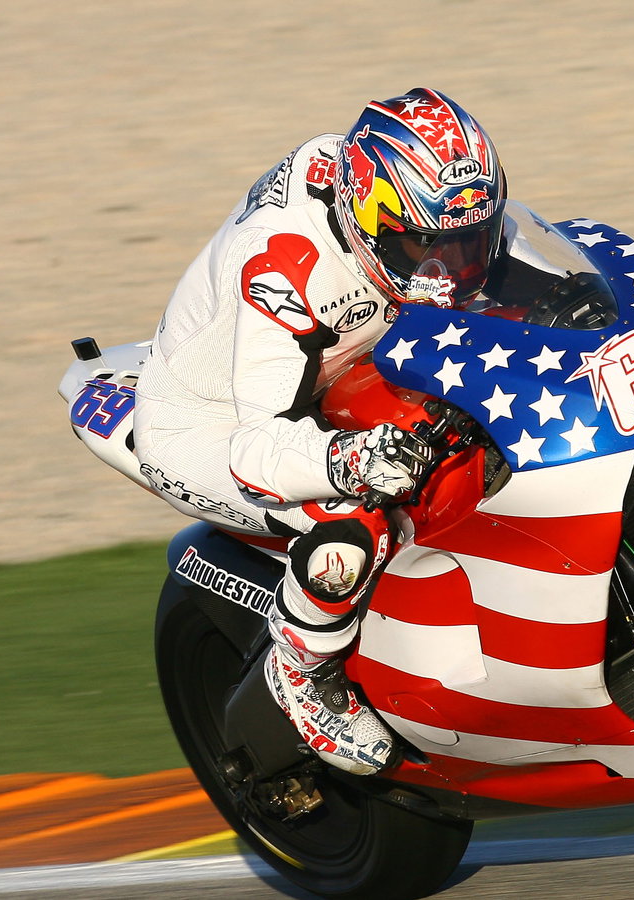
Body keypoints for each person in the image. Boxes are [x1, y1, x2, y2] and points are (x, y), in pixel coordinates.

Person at [132, 88, 508, 775]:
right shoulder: (285, 267)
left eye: (467, 242)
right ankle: (301, 673)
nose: (448, 268)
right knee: (356, 522)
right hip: (212, 422)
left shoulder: (407, 193)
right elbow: (257, 448)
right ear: (370, 218)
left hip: (332, 369)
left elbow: (516, 258)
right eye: (426, 247)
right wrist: (349, 458)